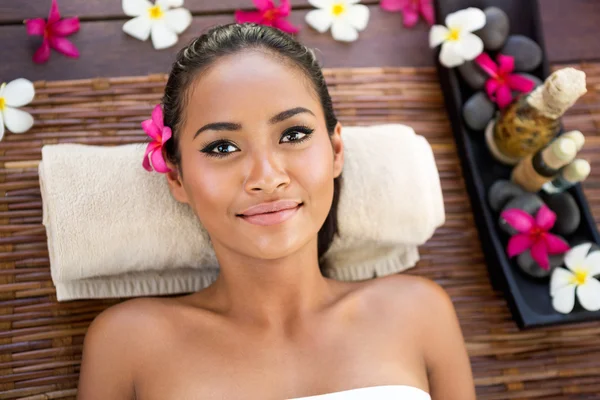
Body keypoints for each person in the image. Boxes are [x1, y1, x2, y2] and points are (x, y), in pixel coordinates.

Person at [76, 23, 475, 400]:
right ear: (176, 177)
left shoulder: (418, 313)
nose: (267, 178)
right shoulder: (127, 343)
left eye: (293, 135)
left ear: (336, 151)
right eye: (222, 147)